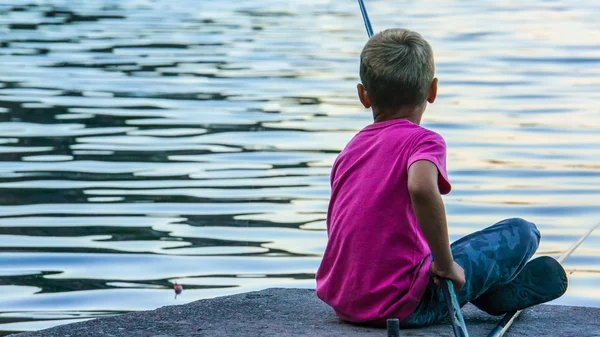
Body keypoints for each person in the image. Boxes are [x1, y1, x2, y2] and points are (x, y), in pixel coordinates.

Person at [315, 28, 567, 327]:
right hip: (403, 306)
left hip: (345, 302)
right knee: (523, 231)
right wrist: (446, 266)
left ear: (363, 95)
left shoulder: (351, 149)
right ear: (432, 91)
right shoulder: (423, 142)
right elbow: (421, 188)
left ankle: (493, 291)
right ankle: (492, 292)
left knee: (443, 251)